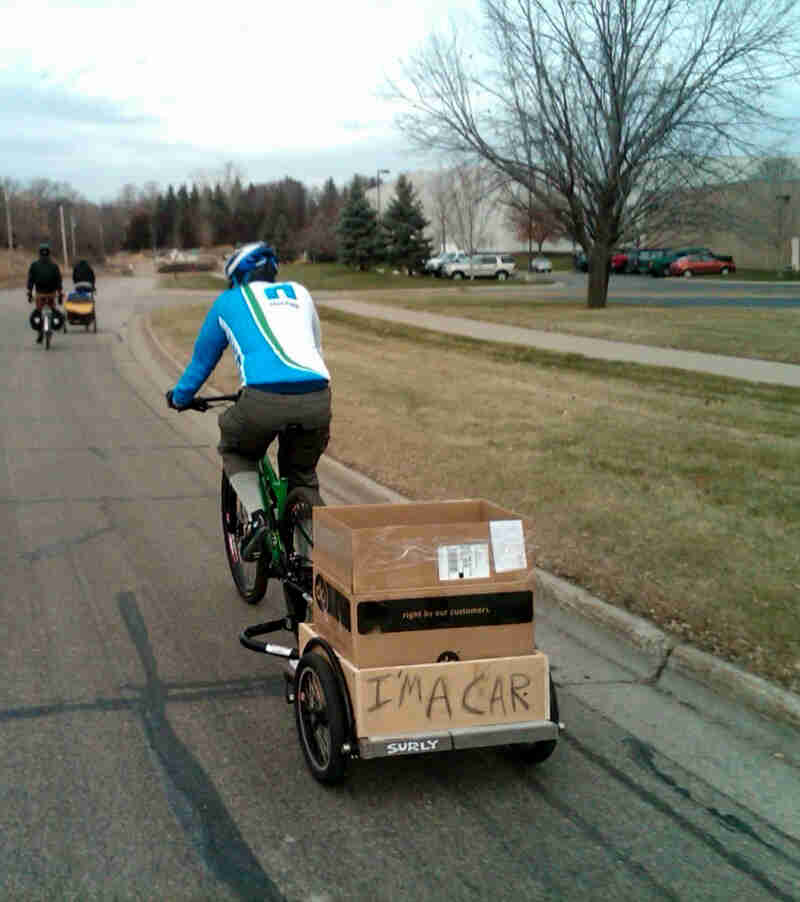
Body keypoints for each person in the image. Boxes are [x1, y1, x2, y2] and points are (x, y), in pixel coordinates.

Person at [165, 242, 331, 556]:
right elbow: (316, 350)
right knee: (302, 477)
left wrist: (180, 397)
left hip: (262, 399)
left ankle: (257, 519)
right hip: (318, 395)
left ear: (237, 277)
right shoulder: (300, 292)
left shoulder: (228, 301)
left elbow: (202, 362)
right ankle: (311, 565)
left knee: (235, 447)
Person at [27, 243, 63, 344]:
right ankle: (50, 327)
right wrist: (60, 293)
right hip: (51, 294)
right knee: (53, 310)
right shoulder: (54, 266)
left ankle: (39, 332)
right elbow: (58, 280)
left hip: (40, 294)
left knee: (38, 311)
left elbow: (31, 280)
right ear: (49, 253)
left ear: (39, 253)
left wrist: (29, 292)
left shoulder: (34, 265)